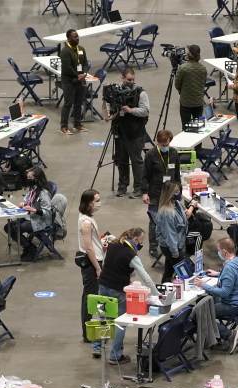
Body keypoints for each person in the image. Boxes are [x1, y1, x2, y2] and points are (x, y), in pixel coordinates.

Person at [98, 227, 159, 365]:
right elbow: (146, 278)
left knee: (103, 317)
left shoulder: (113, 245)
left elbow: (108, 263)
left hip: (102, 286)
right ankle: (115, 356)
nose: (141, 244)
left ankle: (98, 347)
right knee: (120, 323)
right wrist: (158, 295)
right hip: (118, 291)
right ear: (135, 240)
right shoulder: (131, 255)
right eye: (141, 241)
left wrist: (126, 277)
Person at [195, 237, 238, 352]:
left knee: (199, 313)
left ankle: (229, 334)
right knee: (207, 301)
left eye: (219, 250)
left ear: (224, 251)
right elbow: (234, 276)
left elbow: (224, 293)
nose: (218, 253)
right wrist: (219, 274)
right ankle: (215, 334)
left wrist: (204, 286)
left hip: (233, 305)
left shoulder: (229, 268)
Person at [105, 68, 149, 199]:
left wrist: (131, 110)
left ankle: (139, 188)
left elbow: (146, 110)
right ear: (122, 78)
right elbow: (108, 102)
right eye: (129, 79)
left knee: (136, 161)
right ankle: (122, 186)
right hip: (119, 130)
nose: (131, 82)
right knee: (121, 160)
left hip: (135, 132)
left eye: (133, 80)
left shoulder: (140, 92)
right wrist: (109, 113)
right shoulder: (116, 91)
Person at [140, 129, 180, 258]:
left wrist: (179, 189)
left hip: (170, 193)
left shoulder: (174, 153)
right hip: (155, 193)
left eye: (167, 145)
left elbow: (177, 173)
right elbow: (145, 175)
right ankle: (153, 247)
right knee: (154, 221)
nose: (165, 147)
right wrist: (144, 193)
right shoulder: (151, 155)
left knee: (172, 219)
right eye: (163, 145)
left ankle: (171, 243)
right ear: (158, 142)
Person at [77, 189, 106, 357]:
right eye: (97, 200)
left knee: (88, 296)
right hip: (91, 263)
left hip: (95, 257)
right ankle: (89, 333)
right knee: (90, 297)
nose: (99, 202)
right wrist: (97, 267)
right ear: (90, 203)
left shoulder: (88, 218)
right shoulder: (86, 223)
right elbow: (88, 247)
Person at [7, 167, 53, 262]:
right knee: (8, 226)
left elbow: (47, 212)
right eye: (27, 177)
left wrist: (34, 210)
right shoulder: (32, 189)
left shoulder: (43, 193)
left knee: (15, 229)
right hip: (29, 216)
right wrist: (23, 204)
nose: (28, 180)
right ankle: (29, 246)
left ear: (37, 178)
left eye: (30, 178)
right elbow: (27, 200)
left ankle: (30, 249)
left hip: (39, 220)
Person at [155, 182, 193, 283]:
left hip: (178, 244)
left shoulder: (177, 204)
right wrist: (174, 251)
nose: (179, 193)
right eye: (176, 191)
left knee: (169, 271)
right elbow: (169, 234)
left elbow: (184, 218)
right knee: (185, 273)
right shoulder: (166, 213)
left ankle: (163, 292)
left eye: (179, 190)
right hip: (170, 247)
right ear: (170, 194)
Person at [58, 29, 89, 135]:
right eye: (75, 37)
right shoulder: (65, 51)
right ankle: (64, 126)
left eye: (77, 36)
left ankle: (77, 124)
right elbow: (67, 68)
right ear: (68, 38)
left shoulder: (81, 49)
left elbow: (85, 63)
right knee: (68, 104)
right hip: (69, 81)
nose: (77, 38)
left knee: (78, 103)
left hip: (80, 80)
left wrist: (84, 73)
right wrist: (77, 75)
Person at [175, 45, 208, 132]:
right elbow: (204, 83)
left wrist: (182, 92)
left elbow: (177, 84)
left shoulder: (183, 68)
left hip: (186, 102)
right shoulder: (203, 68)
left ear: (189, 54)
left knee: (186, 128)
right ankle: (198, 146)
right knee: (198, 128)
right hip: (198, 102)